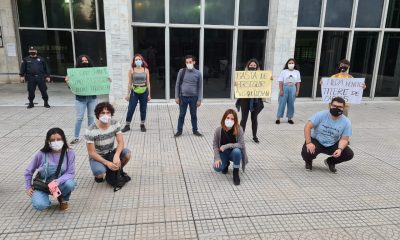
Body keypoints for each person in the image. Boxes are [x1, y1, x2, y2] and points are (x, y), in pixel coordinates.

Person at [24, 128, 76, 211]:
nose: (56, 142)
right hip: (43, 185)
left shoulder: (69, 152)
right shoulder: (41, 154)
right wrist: (28, 186)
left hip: (58, 185)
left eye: (58, 139)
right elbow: (28, 171)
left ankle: (62, 198)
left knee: (70, 184)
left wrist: (58, 181)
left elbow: (70, 173)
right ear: (48, 141)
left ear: (63, 139)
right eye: (52, 140)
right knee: (40, 205)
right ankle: (46, 200)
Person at [301, 97, 354, 173]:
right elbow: (307, 127)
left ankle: (330, 162)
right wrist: (308, 143)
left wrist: (340, 149)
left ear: (343, 108)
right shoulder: (321, 115)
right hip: (317, 141)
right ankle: (308, 161)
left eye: (340, 107)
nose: (337, 108)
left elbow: (344, 139)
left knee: (349, 154)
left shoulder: (346, 122)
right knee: (307, 152)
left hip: (332, 144)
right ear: (330, 105)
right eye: (334, 106)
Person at [85, 102, 131, 183]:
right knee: (99, 173)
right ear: (98, 114)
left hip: (110, 153)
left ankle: (117, 171)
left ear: (111, 114)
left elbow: (121, 142)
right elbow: (91, 153)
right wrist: (107, 163)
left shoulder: (115, 123)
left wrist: (116, 155)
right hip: (98, 156)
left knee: (127, 154)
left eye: (108, 112)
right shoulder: (90, 130)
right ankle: (105, 172)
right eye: (103, 113)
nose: (105, 115)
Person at [66, 55, 97, 144]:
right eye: (82, 60)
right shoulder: (74, 73)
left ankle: (90, 135)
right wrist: (68, 81)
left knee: (91, 117)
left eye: (86, 60)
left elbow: (99, 81)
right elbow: (71, 87)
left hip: (92, 98)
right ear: (79, 62)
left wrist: (106, 80)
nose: (84, 62)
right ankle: (76, 137)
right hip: (80, 99)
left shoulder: (94, 72)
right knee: (79, 118)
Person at [212, 109, 248, 185]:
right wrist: (217, 158)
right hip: (223, 154)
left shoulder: (239, 129)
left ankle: (236, 172)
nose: (229, 120)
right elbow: (215, 145)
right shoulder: (218, 130)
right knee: (217, 168)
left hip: (233, 154)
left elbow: (241, 144)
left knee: (237, 151)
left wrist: (226, 146)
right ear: (224, 118)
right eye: (228, 118)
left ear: (235, 121)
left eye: (232, 119)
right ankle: (226, 164)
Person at [235, 59, 264, 143]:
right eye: (251, 65)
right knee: (244, 118)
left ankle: (255, 136)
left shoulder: (261, 76)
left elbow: (264, 85)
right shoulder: (243, 75)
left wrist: (269, 80)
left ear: (257, 67)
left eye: (254, 65)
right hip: (245, 99)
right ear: (248, 66)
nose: (252, 66)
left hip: (256, 100)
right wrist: (236, 84)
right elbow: (239, 86)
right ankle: (240, 136)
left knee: (254, 118)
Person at [174, 55, 203, 137]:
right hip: (183, 97)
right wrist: (176, 97)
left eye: (190, 62)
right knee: (181, 115)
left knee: (193, 115)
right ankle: (179, 131)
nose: (188, 64)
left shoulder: (198, 73)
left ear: (194, 62)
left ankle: (195, 130)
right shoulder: (181, 71)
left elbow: (200, 87)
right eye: (187, 62)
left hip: (194, 98)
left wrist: (199, 99)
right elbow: (177, 84)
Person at [122, 54, 151, 133]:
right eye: (136, 59)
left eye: (139, 59)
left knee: (143, 109)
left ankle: (142, 124)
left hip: (144, 91)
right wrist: (128, 94)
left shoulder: (146, 70)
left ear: (142, 60)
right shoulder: (131, 70)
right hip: (134, 92)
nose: (138, 61)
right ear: (134, 61)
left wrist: (149, 94)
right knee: (131, 108)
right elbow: (129, 83)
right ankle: (127, 125)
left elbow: (148, 83)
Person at [276, 58, 301, 124]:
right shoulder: (284, 71)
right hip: (285, 87)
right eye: (289, 63)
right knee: (282, 103)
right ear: (287, 64)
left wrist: (297, 91)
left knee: (291, 104)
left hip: (293, 88)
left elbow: (298, 82)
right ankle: (278, 118)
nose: (291, 64)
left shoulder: (297, 72)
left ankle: (289, 118)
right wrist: (281, 90)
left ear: (294, 64)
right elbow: (280, 81)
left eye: (292, 63)